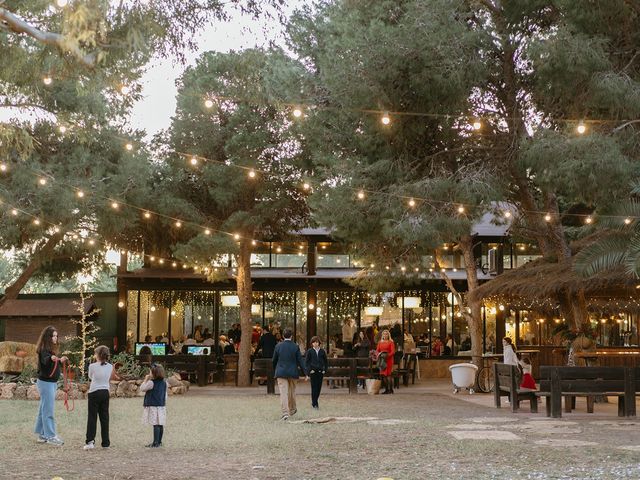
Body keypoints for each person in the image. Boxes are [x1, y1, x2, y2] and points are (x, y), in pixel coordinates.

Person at [34, 326, 68, 445]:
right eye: (53, 336)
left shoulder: (50, 350)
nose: (55, 338)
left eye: (56, 336)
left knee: (44, 409)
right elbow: (46, 360)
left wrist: (60, 359)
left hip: (50, 383)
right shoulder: (44, 350)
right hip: (46, 383)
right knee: (48, 410)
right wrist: (52, 358)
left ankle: (42, 435)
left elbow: (52, 360)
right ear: (48, 337)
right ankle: (51, 436)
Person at [84, 345, 117, 450]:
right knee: (104, 417)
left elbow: (90, 376)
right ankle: (106, 442)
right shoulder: (110, 366)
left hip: (94, 392)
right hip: (105, 392)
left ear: (97, 355)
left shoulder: (92, 366)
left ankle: (90, 441)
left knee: (92, 417)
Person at [272, 327, 307, 420]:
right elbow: (300, 360)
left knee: (283, 393)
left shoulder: (278, 346)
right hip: (293, 372)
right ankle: (292, 409)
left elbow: (274, 360)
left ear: (283, 336)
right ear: (291, 336)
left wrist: (274, 370)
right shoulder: (295, 346)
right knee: (291, 392)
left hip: (281, 372)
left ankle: (285, 413)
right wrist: (305, 373)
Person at [140, 363, 168, 448]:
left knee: (155, 424)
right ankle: (159, 441)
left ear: (154, 374)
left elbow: (142, 388)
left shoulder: (151, 383)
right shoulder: (164, 383)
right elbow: (165, 394)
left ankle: (155, 443)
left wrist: (145, 380)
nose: (149, 374)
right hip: (161, 405)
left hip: (153, 406)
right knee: (160, 423)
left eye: (150, 372)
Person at [304, 336, 328, 409]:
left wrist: (324, 369)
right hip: (313, 372)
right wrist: (309, 371)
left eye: (317, 342)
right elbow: (307, 362)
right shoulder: (309, 351)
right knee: (314, 388)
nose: (315, 344)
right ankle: (315, 404)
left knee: (319, 388)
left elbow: (325, 362)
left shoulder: (322, 351)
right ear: (312, 343)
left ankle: (314, 401)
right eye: (314, 342)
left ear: (319, 343)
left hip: (320, 372)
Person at [376, 329, 395, 394]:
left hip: (389, 360)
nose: (385, 335)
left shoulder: (391, 342)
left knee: (388, 375)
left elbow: (393, 351)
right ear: (382, 335)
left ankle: (390, 389)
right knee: (383, 375)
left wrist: (387, 356)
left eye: (386, 334)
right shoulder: (380, 342)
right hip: (382, 360)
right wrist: (379, 354)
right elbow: (377, 350)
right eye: (384, 334)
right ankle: (387, 389)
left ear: (388, 335)